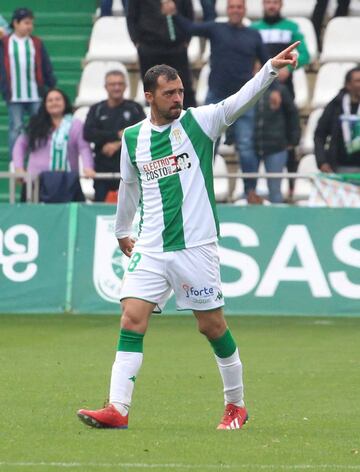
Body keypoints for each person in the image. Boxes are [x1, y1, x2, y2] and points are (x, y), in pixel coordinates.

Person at [76, 41, 300, 430]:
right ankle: (117, 408)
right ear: (149, 96)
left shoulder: (200, 122)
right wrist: (121, 230)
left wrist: (269, 70)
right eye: (169, 93)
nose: (178, 98)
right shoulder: (133, 138)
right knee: (131, 319)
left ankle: (237, 405)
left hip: (195, 247)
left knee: (211, 326)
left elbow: (237, 101)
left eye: (180, 91)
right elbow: (129, 187)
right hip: (150, 245)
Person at [166, 0, 279, 198]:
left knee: (245, 145)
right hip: (216, 97)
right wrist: (174, 14)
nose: (235, 10)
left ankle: (250, 192)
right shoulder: (216, 28)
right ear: (227, 10)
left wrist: (276, 88)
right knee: (208, 143)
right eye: (232, 7)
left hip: (244, 98)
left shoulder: (254, 35)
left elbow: (266, 63)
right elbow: (191, 28)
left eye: (239, 7)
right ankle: (200, 190)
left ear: (244, 10)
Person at [251, 0, 310, 201]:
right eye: (268, 2)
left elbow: (305, 54)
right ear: (263, 5)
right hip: (259, 86)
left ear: (281, 5)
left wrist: (289, 67)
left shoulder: (291, 28)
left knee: (287, 135)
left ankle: (291, 187)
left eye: (275, 2)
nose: (271, 6)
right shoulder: (254, 28)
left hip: (285, 88)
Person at [12, 88, 95, 201]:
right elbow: (19, 145)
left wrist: (88, 167)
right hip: (36, 181)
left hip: (66, 182)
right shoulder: (35, 123)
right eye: (50, 100)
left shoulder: (76, 125)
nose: (54, 103)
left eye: (57, 99)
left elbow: (84, 148)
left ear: (65, 102)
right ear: (45, 104)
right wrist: (19, 168)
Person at [83, 70, 146, 202]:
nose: (116, 87)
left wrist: (118, 144)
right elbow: (88, 133)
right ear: (106, 87)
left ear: (125, 86)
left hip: (130, 170)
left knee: (132, 209)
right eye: (112, 84)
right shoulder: (97, 109)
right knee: (101, 209)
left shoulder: (135, 108)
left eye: (120, 84)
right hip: (102, 170)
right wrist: (117, 134)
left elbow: (143, 133)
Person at [0, 8, 56, 154]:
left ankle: (36, 157)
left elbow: (46, 65)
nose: (29, 26)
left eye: (31, 23)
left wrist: (51, 84)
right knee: (16, 128)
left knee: (38, 126)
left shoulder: (36, 43)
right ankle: (15, 162)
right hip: (14, 94)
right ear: (16, 23)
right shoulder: (5, 43)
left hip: (35, 94)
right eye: (26, 23)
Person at [126, 0, 196, 109]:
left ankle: (188, 123)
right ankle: (154, 123)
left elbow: (189, 14)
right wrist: (136, 41)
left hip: (177, 47)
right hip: (149, 47)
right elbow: (131, 16)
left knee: (183, 87)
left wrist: (187, 39)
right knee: (152, 88)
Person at [254, 83, 301, 203]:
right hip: (252, 146)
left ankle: (275, 219)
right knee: (249, 191)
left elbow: (292, 113)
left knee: (275, 189)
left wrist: (293, 139)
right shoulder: (247, 89)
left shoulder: (280, 90)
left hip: (277, 146)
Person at [314, 66, 360, 174]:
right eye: (358, 81)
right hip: (339, 168)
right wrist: (322, 161)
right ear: (348, 85)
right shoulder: (335, 106)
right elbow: (319, 135)